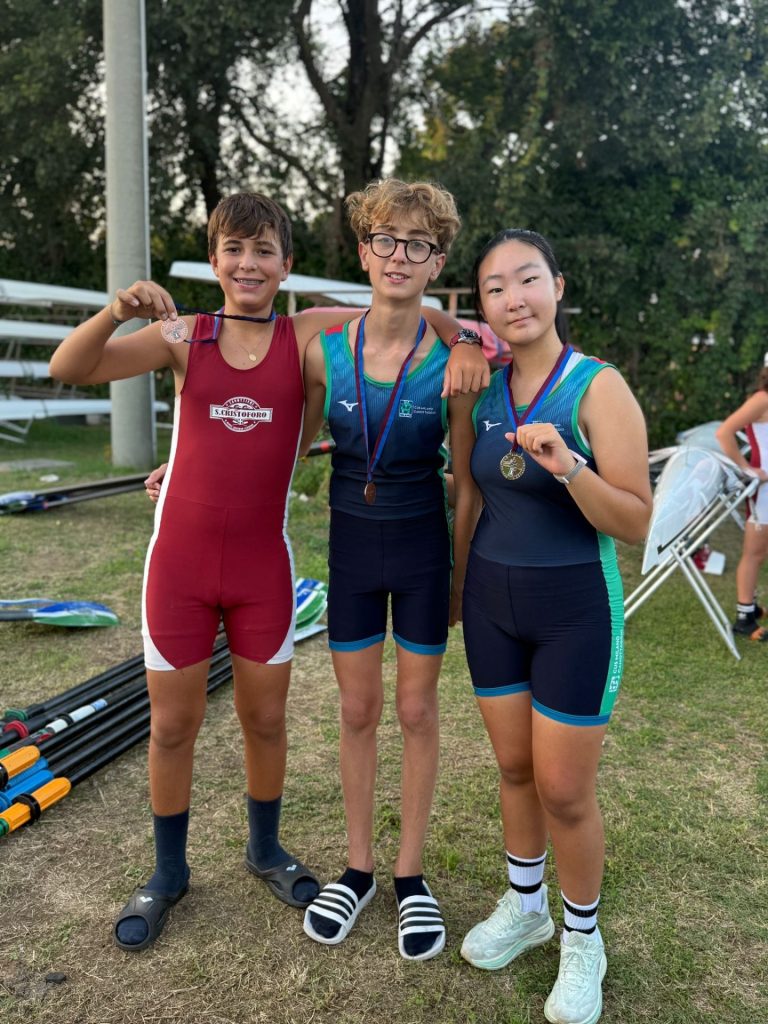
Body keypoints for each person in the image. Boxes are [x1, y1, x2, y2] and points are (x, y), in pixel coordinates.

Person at [48, 191, 487, 953]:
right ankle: (168, 871)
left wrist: (472, 335)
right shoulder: (184, 334)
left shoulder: (307, 332)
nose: (248, 264)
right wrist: (117, 310)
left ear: (287, 265)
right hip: (180, 564)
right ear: (213, 259)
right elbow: (70, 367)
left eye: (263, 251)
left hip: (262, 568)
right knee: (173, 724)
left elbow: (403, 308)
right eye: (234, 249)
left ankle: (265, 849)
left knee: (267, 719)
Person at [449, 229, 652, 1023]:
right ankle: (527, 906)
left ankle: (582, 938)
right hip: (491, 607)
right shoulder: (483, 388)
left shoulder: (598, 387)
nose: (514, 298)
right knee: (513, 769)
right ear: (483, 305)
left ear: (558, 287)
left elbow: (635, 520)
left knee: (565, 789)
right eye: (495, 288)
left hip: (574, 611)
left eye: (527, 279)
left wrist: (570, 467)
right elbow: (472, 496)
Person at [298, 178, 480, 961]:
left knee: (415, 711)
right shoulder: (323, 352)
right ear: (363, 250)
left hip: (420, 554)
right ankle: (358, 869)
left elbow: (466, 484)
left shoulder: (454, 366)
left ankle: (410, 876)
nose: (399, 255)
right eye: (386, 239)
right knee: (357, 710)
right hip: (351, 553)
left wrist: (461, 579)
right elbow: (279, 449)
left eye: (418, 244)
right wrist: (189, 470)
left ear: (436, 262)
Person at [715, 369, 768, 641]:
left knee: (761, 552)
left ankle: (752, 606)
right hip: (764, 490)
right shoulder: (762, 399)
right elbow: (724, 432)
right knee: (754, 553)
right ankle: (744, 617)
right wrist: (746, 468)